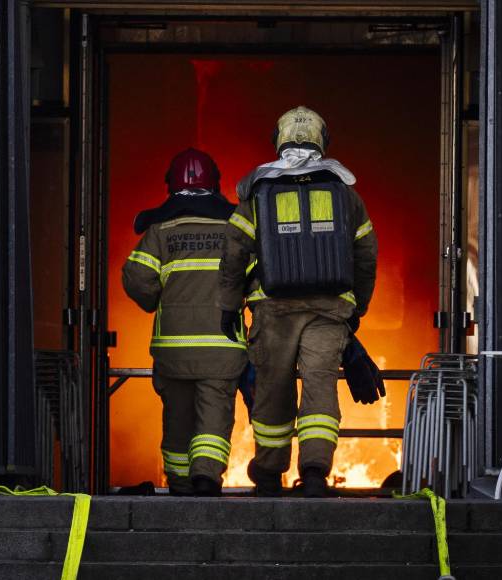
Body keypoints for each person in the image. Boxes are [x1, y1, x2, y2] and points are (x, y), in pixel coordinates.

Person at [217, 106, 378, 498]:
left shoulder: (259, 190)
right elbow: (366, 253)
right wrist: (358, 307)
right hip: (328, 310)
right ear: (323, 141)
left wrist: (228, 303)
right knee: (321, 389)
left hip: (274, 309)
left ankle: (270, 474)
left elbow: (235, 250)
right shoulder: (344, 192)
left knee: (273, 389)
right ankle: (316, 472)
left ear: (280, 139)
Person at [122, 148, 247, 497]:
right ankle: (206, 477)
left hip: (174, 351)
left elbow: (137, 280)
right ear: (216, 184)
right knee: (213, 418)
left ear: (171, 186)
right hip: (222, 349)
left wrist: (156, 301)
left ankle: (179, 485)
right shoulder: (234, 230)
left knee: (177, 420)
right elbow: (257, 278)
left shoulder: (160, 231)